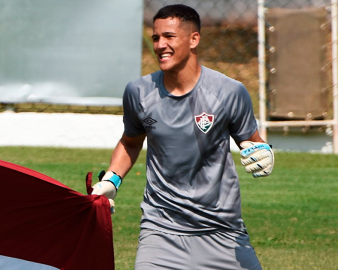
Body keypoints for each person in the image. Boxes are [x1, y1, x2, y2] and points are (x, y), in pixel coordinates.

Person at [91, 4, 275, 270]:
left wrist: (264, 154)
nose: (160, 45)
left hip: (222, 232)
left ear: (194, 39)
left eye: (169, 36)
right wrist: (112, 179)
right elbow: (130, 141)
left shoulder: (229, 92)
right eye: (155, 37)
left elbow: (252, 142)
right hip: (160, 232)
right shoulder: (138, 92)